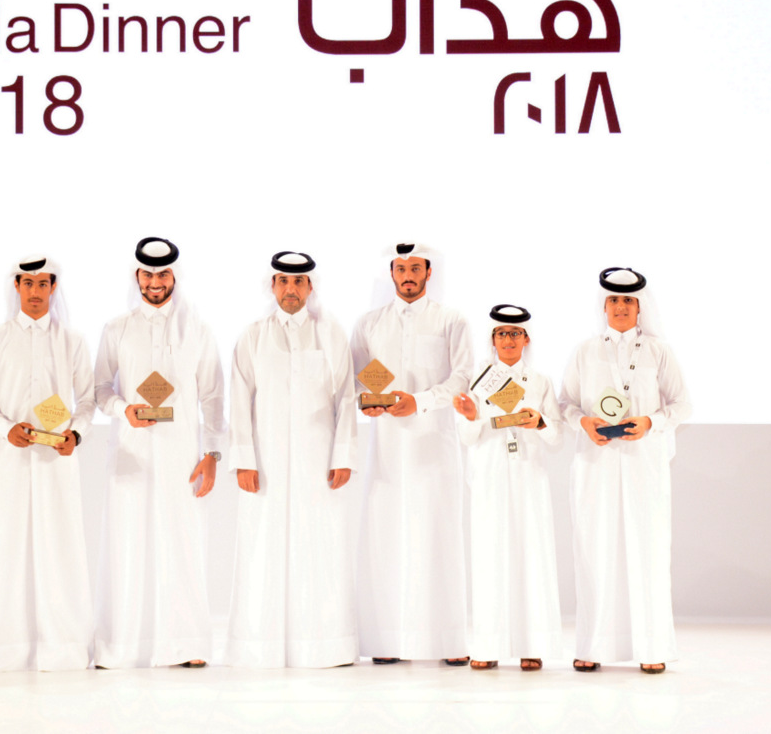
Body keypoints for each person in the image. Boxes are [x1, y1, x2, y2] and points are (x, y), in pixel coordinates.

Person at [92, 237, 225, 669]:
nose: (155, 282)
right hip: (131, 454)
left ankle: (185, 646)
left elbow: (213, 397)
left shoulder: (198, 330)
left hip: (182, 456)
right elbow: (99, 390)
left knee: (182, 545)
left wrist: (213, 454)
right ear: (137, 276)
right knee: (129, 544)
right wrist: (123, 409)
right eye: (147, 274)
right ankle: (126, 646)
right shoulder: (117, 328)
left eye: (163, 274)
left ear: (174, 277)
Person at [225, 251, 358, 668]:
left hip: (318, 463)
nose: (290, 289)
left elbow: (347, 398)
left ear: (310, 287)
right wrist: (243, 459)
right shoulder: (253, 336)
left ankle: (323, 645)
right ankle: (259, 646)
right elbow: (239, 398)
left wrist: (344, 455)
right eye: (283, 281)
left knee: (320, 545)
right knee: (263, 546)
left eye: (298, 282)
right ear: (272, 286)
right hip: (265, 463)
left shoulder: (331, 333)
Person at [0, 255, 96, 671]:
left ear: (53, 288)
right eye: (28, 284)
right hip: (9, 458)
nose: (35, 292)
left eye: (43, 284)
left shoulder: (72, 340)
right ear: (16, 287)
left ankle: (63, 648)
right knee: (5, 546)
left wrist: (75, 434)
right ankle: (2, 650)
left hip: (57, 459)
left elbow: (89, 400)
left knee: (61, 548)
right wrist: (5, 429)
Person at [560, 267, 692, 674]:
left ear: (640, 306)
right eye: (614, 300)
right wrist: (584, 423)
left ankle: (651, 647)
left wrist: (649, 423)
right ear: (604, 305)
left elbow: (683, 405)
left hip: (644, 462)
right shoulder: (584, 350)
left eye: (628, 300)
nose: (621, 307)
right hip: (595, 460)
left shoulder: (658, 351)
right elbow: (566, 403)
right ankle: (593, 646)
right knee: (594, 548)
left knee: (646, 548)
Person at [350, 242, 472, 665]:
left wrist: (418, 401)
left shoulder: (450, 320)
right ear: (391, 272)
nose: (407, 275)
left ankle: (449, 642)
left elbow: (462, 378)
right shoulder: (369, 324)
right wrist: (376, 400)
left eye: (415, 268)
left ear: (428, 273)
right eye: (400, 268)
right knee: (386, 539)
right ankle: (387, 641)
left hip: (433, 447)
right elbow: (360, 379)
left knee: (436, 536)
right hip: (385, 448)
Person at [452, 305, 563, 671]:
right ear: (493, 340)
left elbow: (557, 436)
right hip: (490, 472)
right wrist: (471, 418)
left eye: (516, 333)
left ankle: (532, 645)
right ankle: (487, 645)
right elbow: (467, 435)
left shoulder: (541, 381)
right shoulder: (477, 379)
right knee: (489, 554)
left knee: (531, 554)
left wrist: (540, 421)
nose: (509, 339)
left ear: (527, 339)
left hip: (529, 474)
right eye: (502, 333)